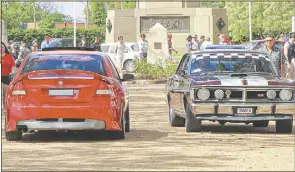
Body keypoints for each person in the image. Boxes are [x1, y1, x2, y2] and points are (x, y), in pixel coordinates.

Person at [1, 42, 16, 112]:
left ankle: (5, 107)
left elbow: (13, 66)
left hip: (6, 77)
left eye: (2, 47)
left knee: (5, 94)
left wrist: (12, 73)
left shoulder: (9, 56)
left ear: (5, 48)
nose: (1, 48)